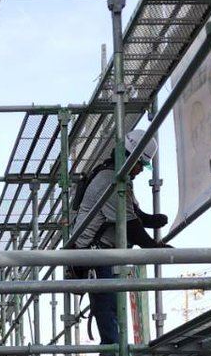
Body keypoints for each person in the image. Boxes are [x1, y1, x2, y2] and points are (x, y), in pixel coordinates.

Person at [65, 128, 168, 344]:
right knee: (107, 304)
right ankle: (111, 352)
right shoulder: (110, 180)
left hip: (103, 251)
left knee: (111, 303)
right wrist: (155, 249)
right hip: (94, 253)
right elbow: (130, 225)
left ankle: (113, 350)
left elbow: (133, 214)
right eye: (140, 164)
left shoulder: (119, 178)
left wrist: (152, 220)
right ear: (131, 157)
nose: (141, 170)